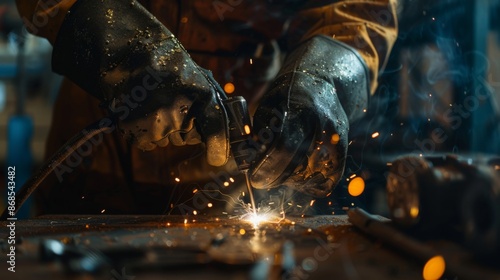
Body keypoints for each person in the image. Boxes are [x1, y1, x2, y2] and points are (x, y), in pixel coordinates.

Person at [16, 0, 398, 215]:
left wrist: (324, 77)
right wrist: (121, 48)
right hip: (91, 160)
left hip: (227, 181)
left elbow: (359, 11)